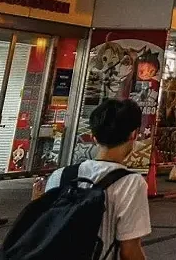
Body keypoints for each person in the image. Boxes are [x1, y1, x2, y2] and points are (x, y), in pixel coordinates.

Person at [41, 99, 151, 260]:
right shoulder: (131, 183)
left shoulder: (60, 175)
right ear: (133, 135)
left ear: (94, 137)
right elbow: (129, 251)